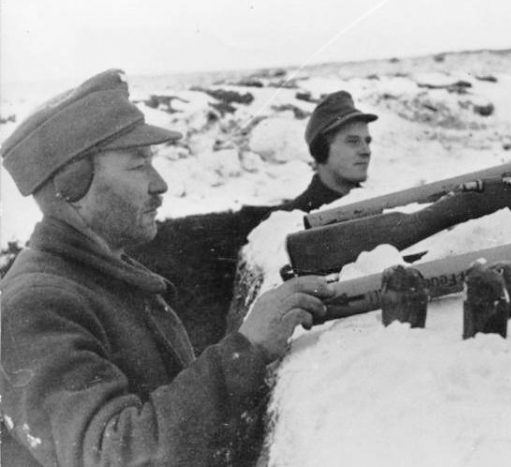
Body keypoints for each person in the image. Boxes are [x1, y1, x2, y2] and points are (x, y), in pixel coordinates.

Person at [0, 69, 334, 466]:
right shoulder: (38, 303)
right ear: (73, 186)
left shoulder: (97, 276)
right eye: (138, 165)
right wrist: (248, 349)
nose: (160, 185)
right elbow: (114, 454)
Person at [281, 90, 378, 212]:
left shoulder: (378, 205)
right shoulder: (293, 219)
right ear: (321, 149)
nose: (366, 151)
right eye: (353, 141)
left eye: (367, 141)